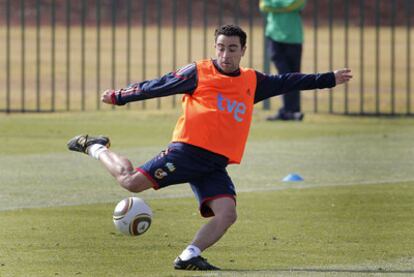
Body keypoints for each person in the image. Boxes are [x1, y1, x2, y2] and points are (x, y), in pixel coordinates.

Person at [67, 25, 352, 271]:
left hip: (215, 163)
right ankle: (97, 147)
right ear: (214, 48)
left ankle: (189, 255)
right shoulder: (198, 72)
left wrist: (328, 78)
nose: (225, 55)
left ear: (243, 51)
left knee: (227, 213)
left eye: (232, 49)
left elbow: (289, 81)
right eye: (220, 48)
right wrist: (119, 96)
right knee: (130, 183)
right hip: (186, 152)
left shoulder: (253, 81)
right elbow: (158, 86)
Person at [260, 0, 307, 121]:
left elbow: (296, 4)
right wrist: (284, 6)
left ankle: (292, 111)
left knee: (294, 75)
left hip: (293, 38)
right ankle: (289, 111)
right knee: (285, 74)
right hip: (274, 36)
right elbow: (264, 6)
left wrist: (275, 5)